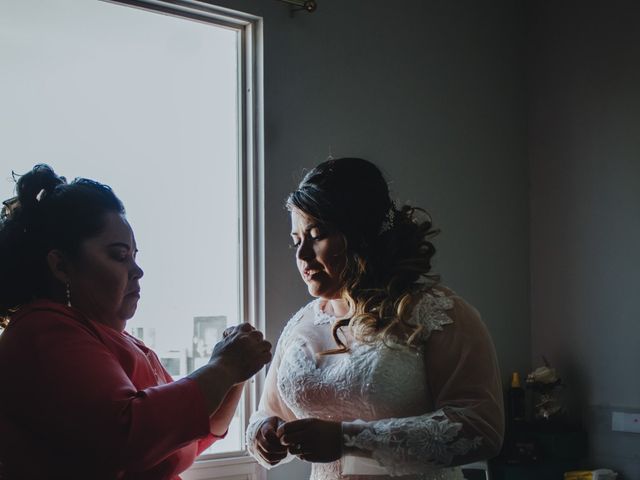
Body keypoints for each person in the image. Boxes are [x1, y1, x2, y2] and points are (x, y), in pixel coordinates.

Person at [0, 164, 272, 480]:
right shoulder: (42, 330)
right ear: (61, 265)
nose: (137, 270)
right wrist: (224, 368)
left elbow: (187, 435)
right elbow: (128, 436)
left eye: (134, 256)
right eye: (119, 256)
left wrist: (235, 374)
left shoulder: (115, 340)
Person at [246, 158, 504, 480]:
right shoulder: (301, 326)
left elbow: (481, 428)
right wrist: (264, 434)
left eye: (317, 235)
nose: (302, 256)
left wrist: (348, 440)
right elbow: (267, 413)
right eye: (297, 240)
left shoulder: (438, 313)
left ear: (360, 234)